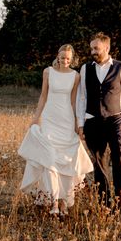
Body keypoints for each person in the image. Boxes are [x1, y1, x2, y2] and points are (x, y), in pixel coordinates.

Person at [17, 44, 93, 216]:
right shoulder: (48, 72)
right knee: (50, 159)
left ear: (71, 59)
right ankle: (53, 203)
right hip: (50, 119)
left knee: (66, 161)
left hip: (66, 120)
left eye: (68, 58)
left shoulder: (76, 76)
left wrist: (76, 123)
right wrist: (36, 117)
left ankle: (64, 202)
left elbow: (74, 102)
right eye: (62, 57)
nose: (65, 61)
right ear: (57, 56)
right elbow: (43, 96)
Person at [77, 32, 121, 205]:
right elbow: (82, 97)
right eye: (91, 48)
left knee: (119, 157)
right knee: (98, 162)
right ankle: (104, 202)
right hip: (92, 121)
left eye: (96, 48)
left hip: (115, 120)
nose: (93, 51)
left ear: (107, 47)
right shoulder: (85, 68)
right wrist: (81, 124)